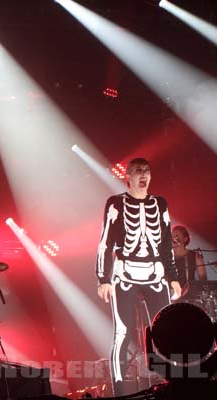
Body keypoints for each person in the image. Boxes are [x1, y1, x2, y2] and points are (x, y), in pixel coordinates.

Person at [96, 158, 181, 396]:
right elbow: (105, 242)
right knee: (122, 333)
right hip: (125, 274)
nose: (143, 174)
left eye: (146, 171)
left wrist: (173, 277)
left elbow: (166, 245)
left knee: (166, 330)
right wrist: (102, 278)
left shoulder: (160, 204)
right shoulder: (115, 203)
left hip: (156, 274)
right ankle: (119, 391)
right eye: (137, 171)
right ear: (128, 177)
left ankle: (173, 385)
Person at [172, 225, 207, 289]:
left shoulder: (195, 255)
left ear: (185, 239)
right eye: (172, 236)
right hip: (171, 293)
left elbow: (203, 278)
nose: (174, 238)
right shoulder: (167, 256)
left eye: (177, 236)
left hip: (190, 292)